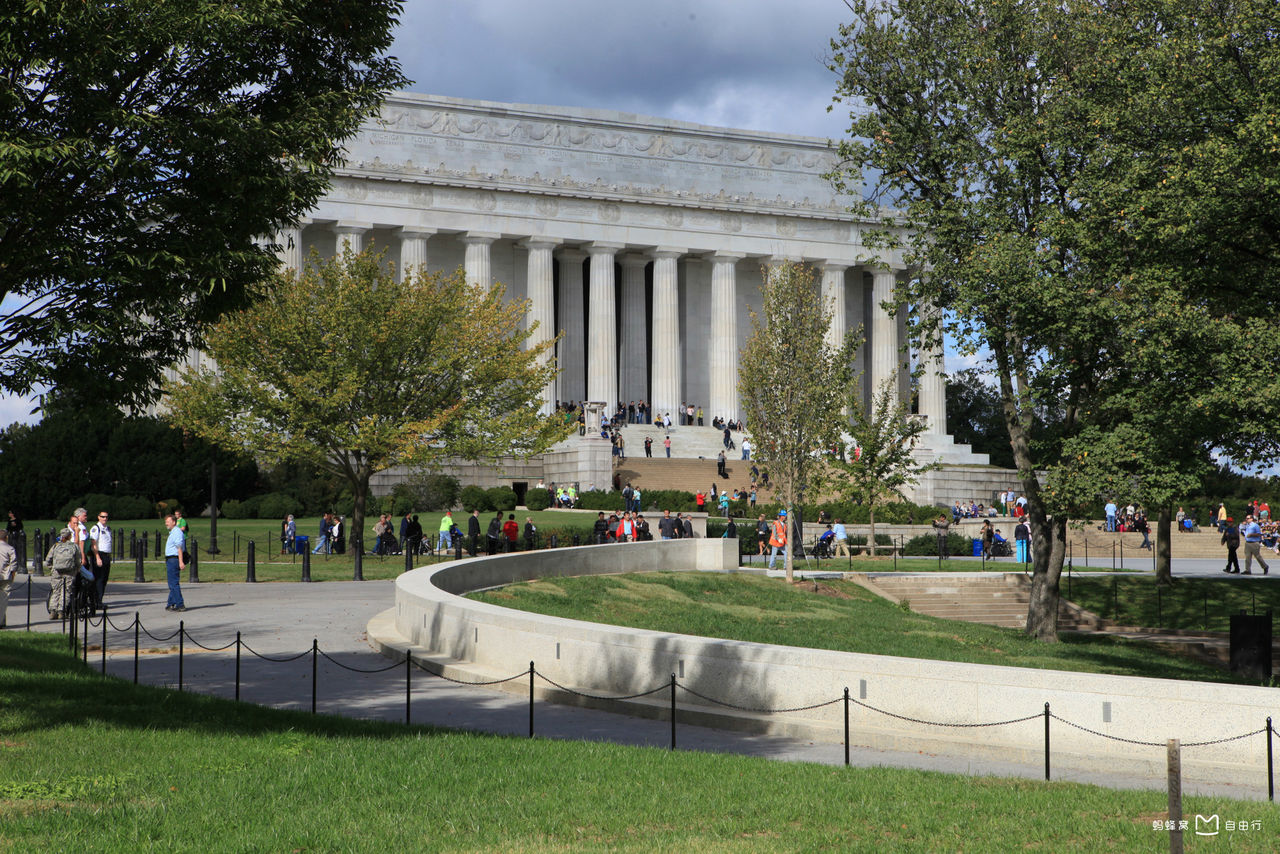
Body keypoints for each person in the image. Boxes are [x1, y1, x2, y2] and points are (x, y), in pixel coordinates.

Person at [88, 510, 113, 607]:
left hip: (106, 555)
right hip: (99, 555)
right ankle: (97, 601)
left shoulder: (107, 528)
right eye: (103, 517)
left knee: (104, 579)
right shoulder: (96, 528)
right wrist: (97, 557)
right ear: (98, 517)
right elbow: (93, 544)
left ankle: (99, 600)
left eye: (106, 517)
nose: (105, 519)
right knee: (99, 579)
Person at [163, 513, 186, 612]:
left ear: (173, 522)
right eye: (165, 522)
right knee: (172, 582)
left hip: (174, 559)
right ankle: (170, 603)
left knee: (173, 583)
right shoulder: (173, 532)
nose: (166, 524)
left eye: (167, 522)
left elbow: (179, 548)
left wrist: (181, 562)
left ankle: (180, 604)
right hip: (171, 559)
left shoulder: (176, 532)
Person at [0, 530, 17, 628]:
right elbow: (14, 565)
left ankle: (2, 620)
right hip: (5, 577)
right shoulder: (10, 548)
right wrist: (13, 576)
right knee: (3, 600)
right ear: (6, 538)